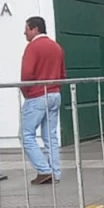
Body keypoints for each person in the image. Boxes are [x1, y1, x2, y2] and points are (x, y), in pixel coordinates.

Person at [20, 16, 65, 185]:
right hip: (55, 93)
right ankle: (55, 172)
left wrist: (26, 92)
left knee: (26, 135)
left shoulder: (32, 47)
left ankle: (44, 170)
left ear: (35, 29)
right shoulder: (56, 47)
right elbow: (62, 74)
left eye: (27, 28)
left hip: (37, 95)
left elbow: (26, 74)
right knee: (50, 136)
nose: (24, 32)